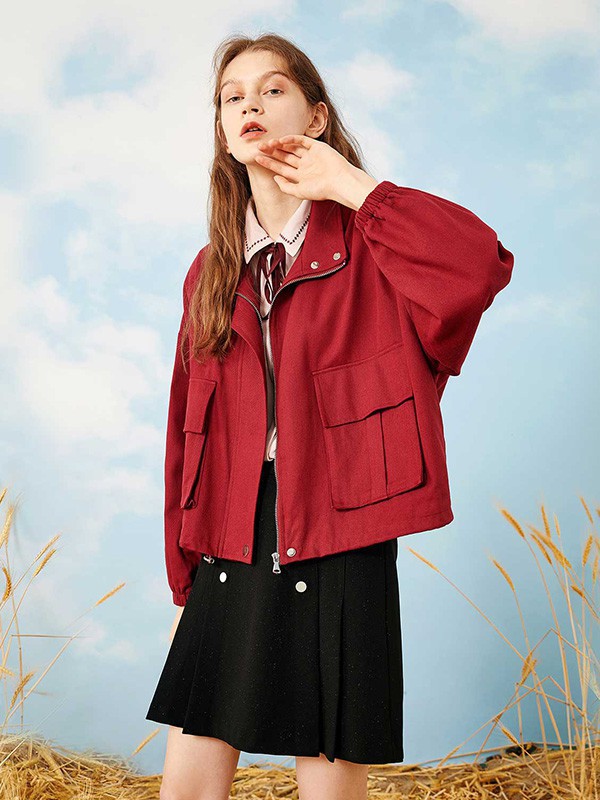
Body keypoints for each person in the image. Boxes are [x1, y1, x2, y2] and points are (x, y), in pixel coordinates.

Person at [145, 32, 515, 800]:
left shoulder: (375, 243)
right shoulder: (210, 272)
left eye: (272, 89)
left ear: (315, 117)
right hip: (230, 531)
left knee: (329, 773)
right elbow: (185, 428)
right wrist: (183, 575)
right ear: (223, 131)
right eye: (232, 96)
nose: (249, 103)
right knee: (189, 777)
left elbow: (479, 264)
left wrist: (354, 187)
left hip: (342, 526)